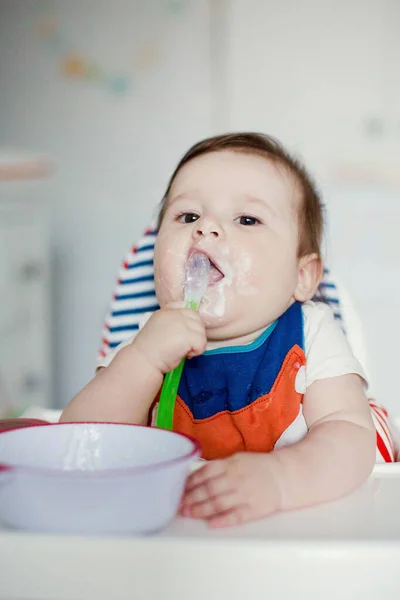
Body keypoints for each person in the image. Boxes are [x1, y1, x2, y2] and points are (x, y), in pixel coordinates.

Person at [61, 132, 396, 528]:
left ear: (301, 277)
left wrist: (280, 479)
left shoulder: (313, 333)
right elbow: (76, 445)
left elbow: (348, 437)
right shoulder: (144, 343)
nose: (206, 229)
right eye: (187, 217)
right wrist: (144, 360)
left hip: (302, 513)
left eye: (247, 219)